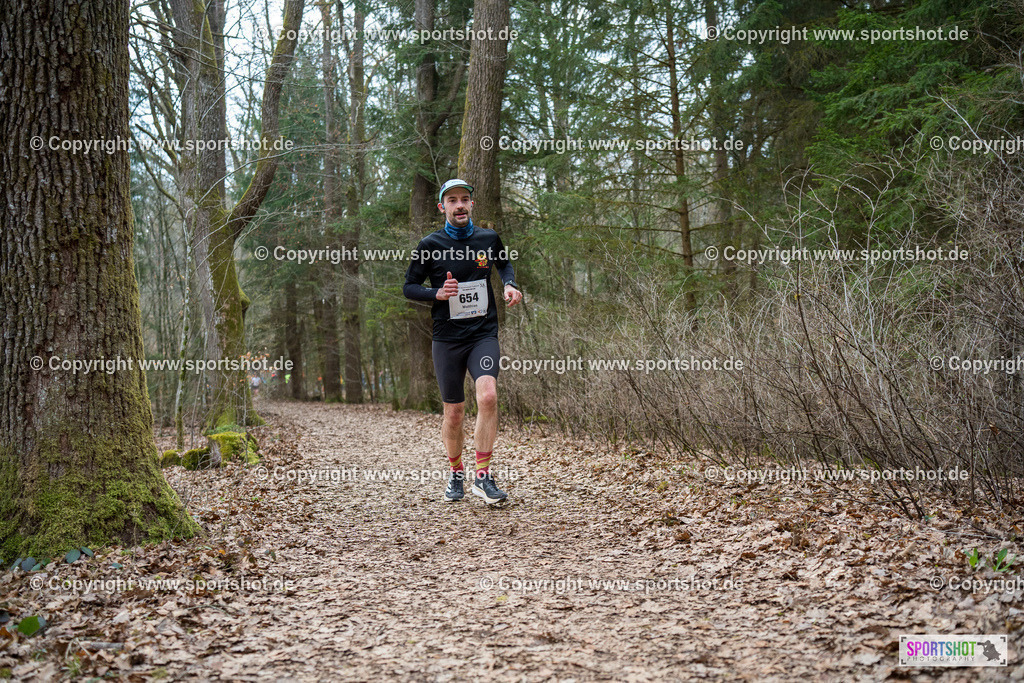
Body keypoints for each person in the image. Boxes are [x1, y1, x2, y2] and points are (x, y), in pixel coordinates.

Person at [404, 179, 522, 504]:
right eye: (452, 200)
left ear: (472, 205)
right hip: (447, 340)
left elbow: (504, 263)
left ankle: (482, 477)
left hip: (483, 334)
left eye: (465, 199)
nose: (459, 205)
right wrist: (436, 293)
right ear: (442, 207)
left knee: (487, 396)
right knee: (454, 412)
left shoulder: (488, 237)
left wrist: (509, 284)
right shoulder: (429, 245)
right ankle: (456, 473)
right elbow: (409, 286)